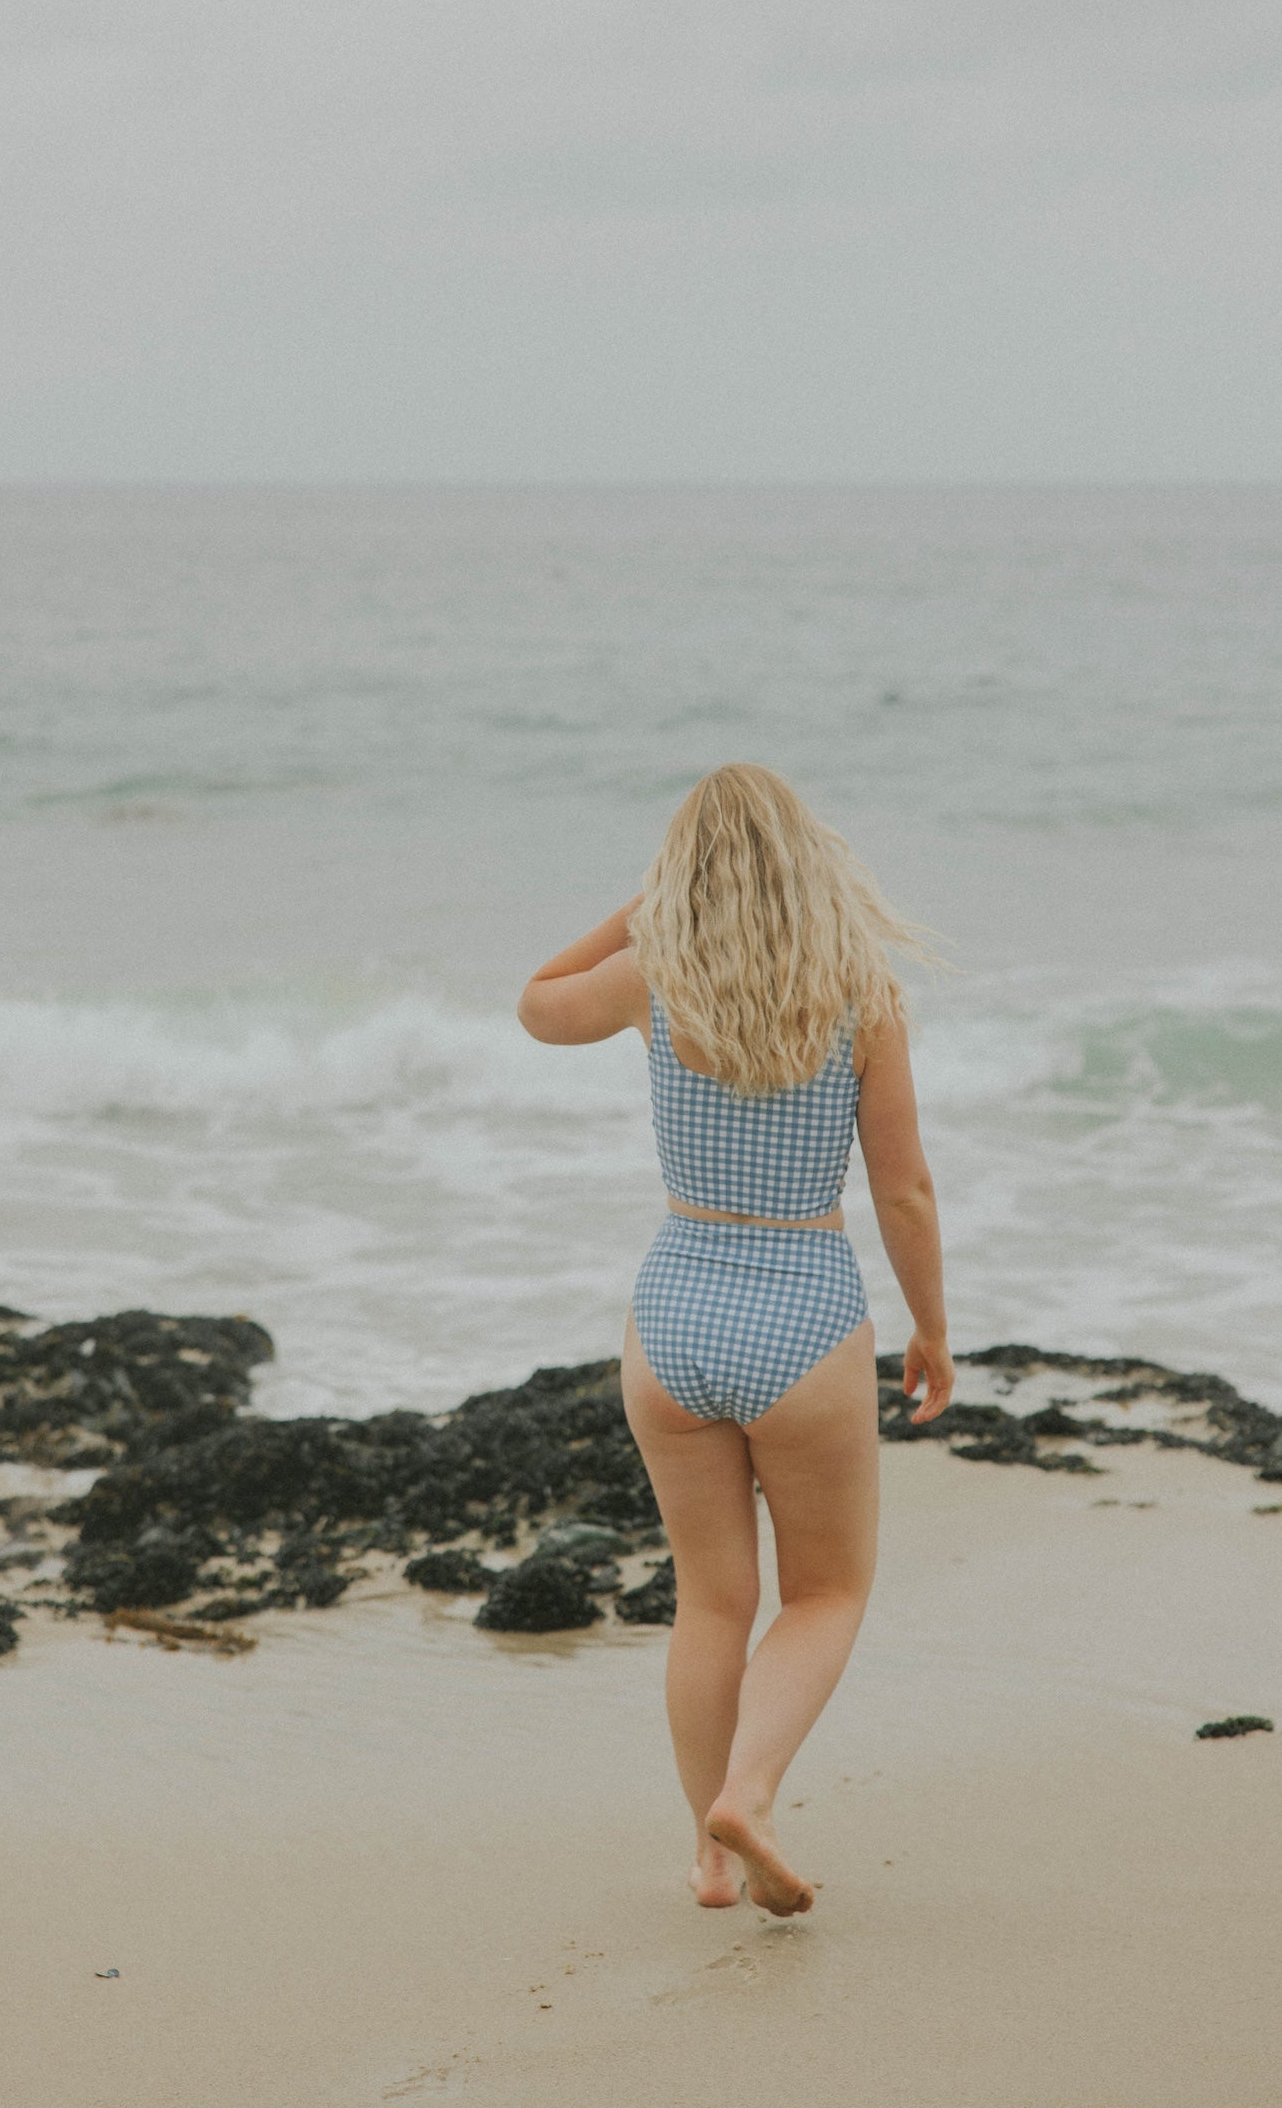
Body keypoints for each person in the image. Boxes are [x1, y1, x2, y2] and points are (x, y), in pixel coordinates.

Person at [518, 762, 953, 1916]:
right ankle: (748, 1795)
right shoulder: (863, 995)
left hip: (672, 1315)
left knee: (711, 1600)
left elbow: (538, 998)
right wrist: (932, 1330)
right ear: (810, 866)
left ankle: (709, 1856)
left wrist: (646, 905)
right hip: (804, 1315)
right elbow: (903, 1190)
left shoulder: (655, 979)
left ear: (686, 877)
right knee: (825, 1592)